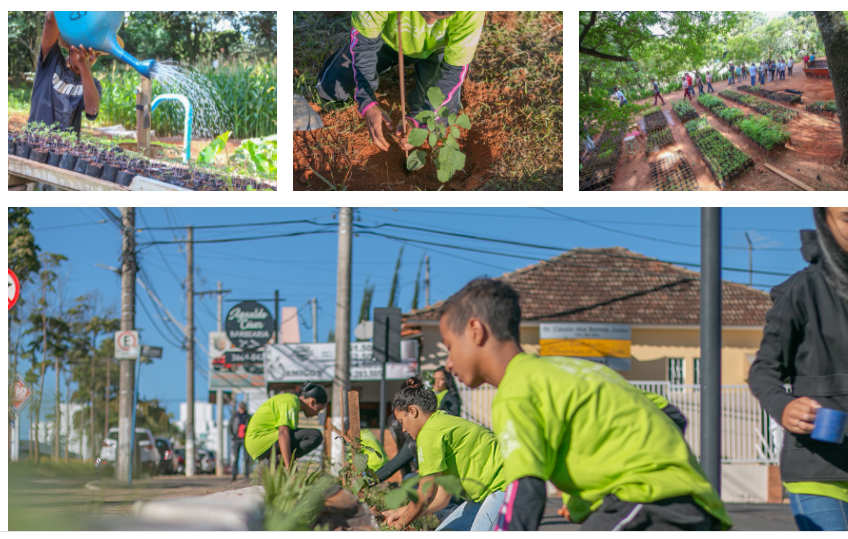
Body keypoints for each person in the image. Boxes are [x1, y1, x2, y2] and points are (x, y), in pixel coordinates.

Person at [437, 278, 733, 531]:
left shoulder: (515, 390)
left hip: (646, 502)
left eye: (449, 346)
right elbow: (670, 414)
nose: (448, 364)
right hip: (695, 503)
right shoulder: (575, 371)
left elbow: (525, 492)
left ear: (476, 330)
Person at [748, 207, 848, 532]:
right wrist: (785, 406)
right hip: (820, 469)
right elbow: (763, 371)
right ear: (825, 221)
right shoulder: (801, 291)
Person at [315, 11, 485, 152]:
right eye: (425, 13)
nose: (431, 22)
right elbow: (364, 45)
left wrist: (417, 122)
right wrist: (366, 100)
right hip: (386, 40)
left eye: (441, 18)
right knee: (330, 88)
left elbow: (453, 72)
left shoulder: (472, 10)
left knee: (438, 118)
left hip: (438, 51)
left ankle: (423, 85)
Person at [381, 376, 506, 531]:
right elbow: (441, 498)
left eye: (401, 422)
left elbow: (425, 494)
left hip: (504, 488)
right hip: (486, 495)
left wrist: (396, 526)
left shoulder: (429, 433)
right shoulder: (440, 422)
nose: (404, 429)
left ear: (412, 411)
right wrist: (399, 512)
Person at [28, 11, 103, 138]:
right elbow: (50, 17)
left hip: (64, 156)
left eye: (95, 54)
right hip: (34, 147)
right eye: (85, 49)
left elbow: (92, 111)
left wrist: (83, 64)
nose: (91, 57)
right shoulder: (51, 62)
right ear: (71, 46)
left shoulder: (93, 84)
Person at [245, 382, 327, 469]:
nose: (317, 414)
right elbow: (283, 433)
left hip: (259, 442)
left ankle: (274, 463)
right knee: (315, 436)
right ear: (312, 402)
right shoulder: (290, 402)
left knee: (297, 438)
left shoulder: (291, 401)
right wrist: (289, 466)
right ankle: (273, 464)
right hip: (260, 440)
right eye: (318, 409)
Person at [228, 402, 252, 481]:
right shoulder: (234, 416)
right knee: (235, 458)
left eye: (243, 408)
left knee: (246, 458)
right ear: (238, 408)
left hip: (245, 439)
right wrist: (232, 436)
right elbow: (230, 426)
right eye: (240, 408)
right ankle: (234, 474)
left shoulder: (248, 417)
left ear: (245, 408)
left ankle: (246, 475)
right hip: (236, 439)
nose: (241, 409)